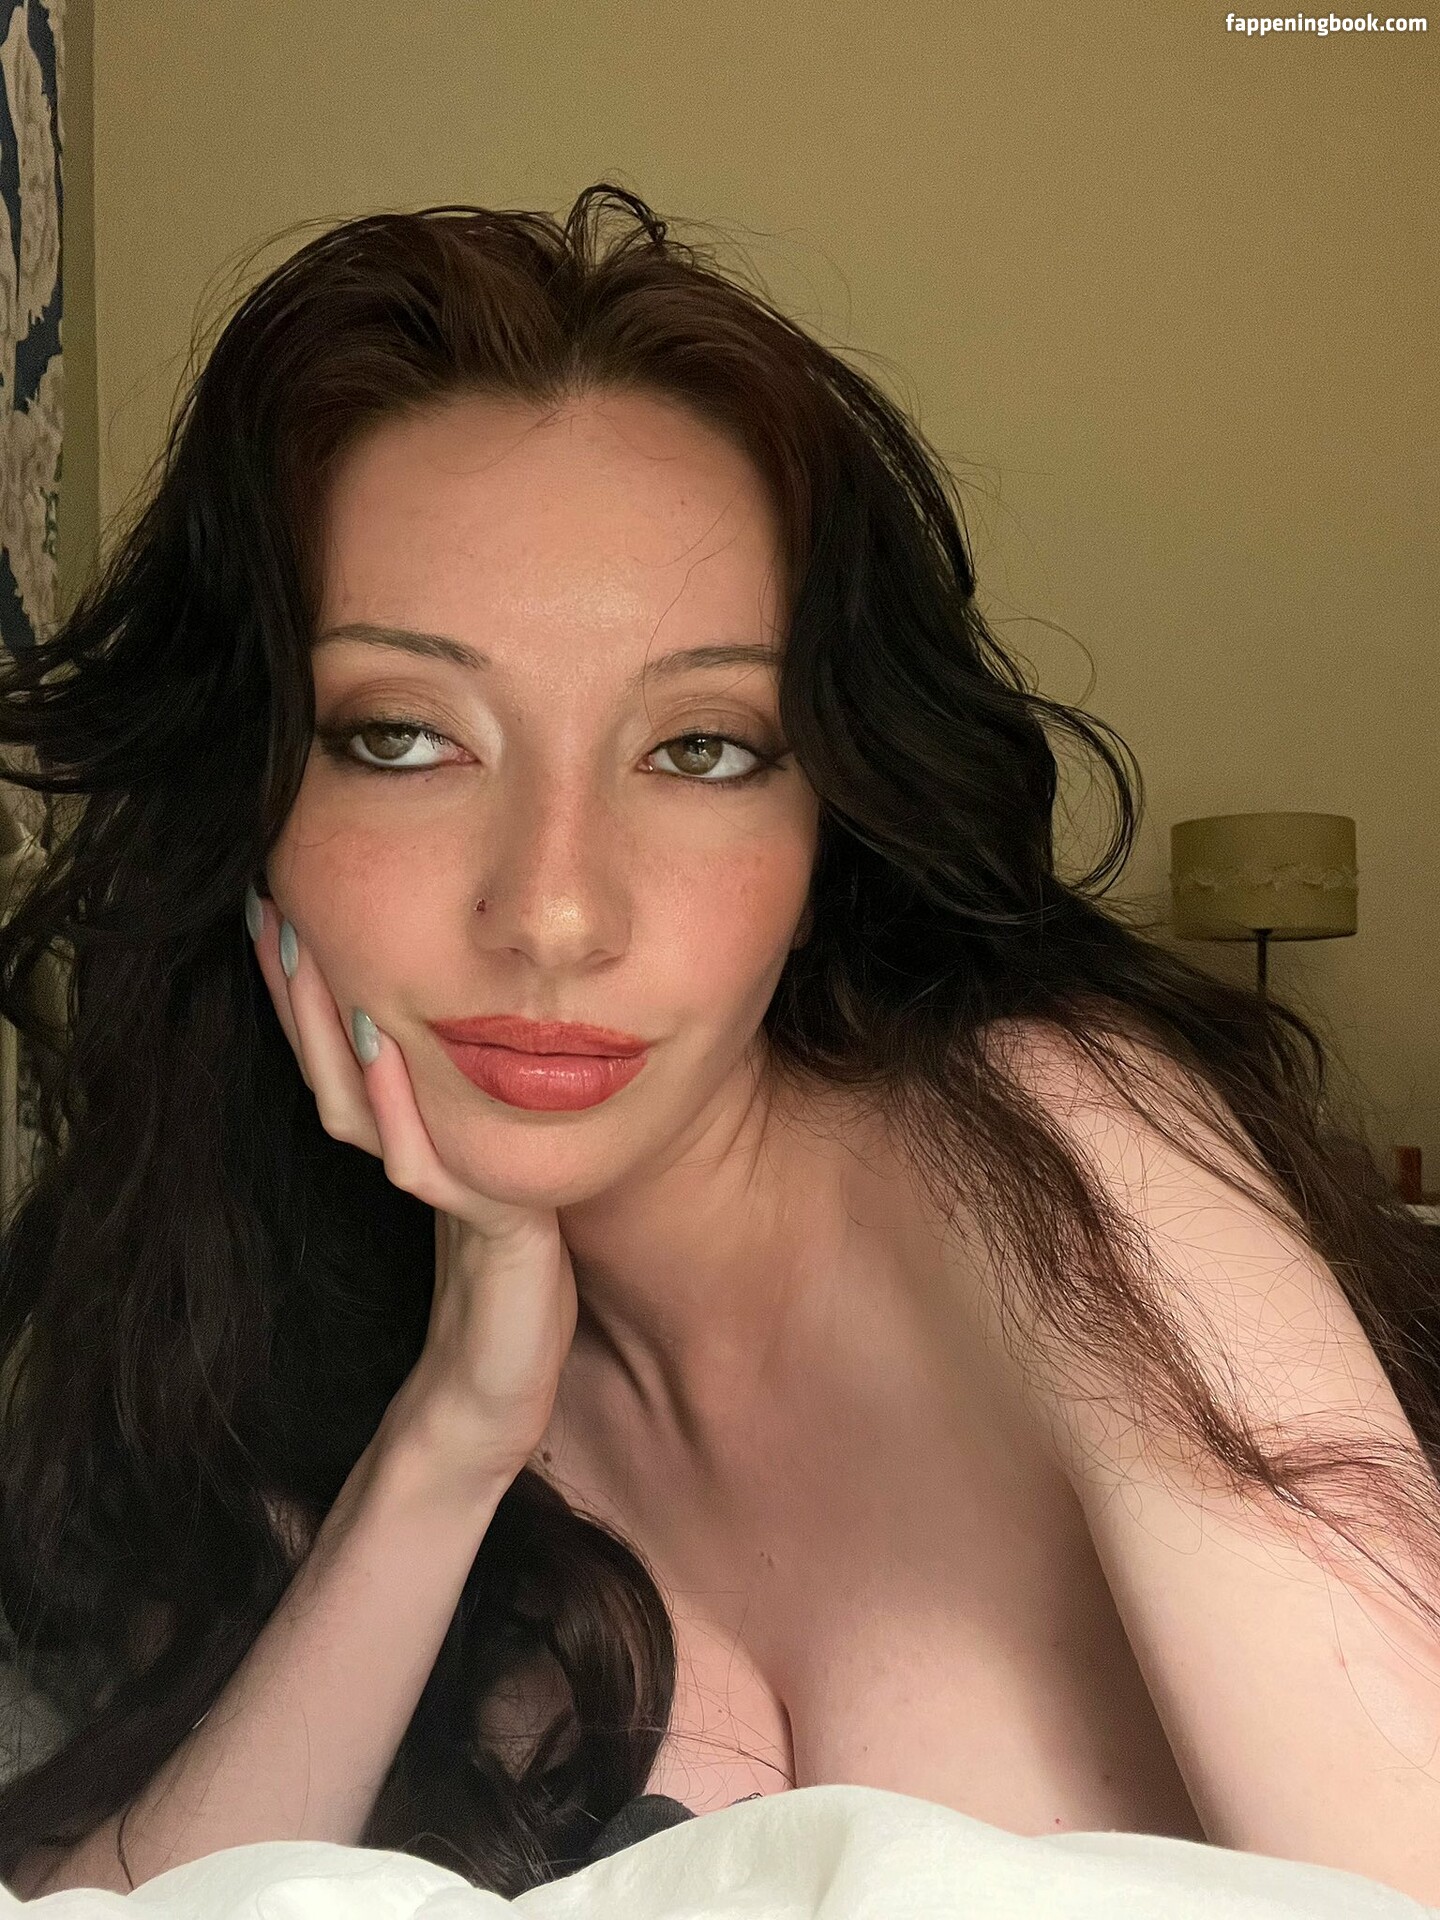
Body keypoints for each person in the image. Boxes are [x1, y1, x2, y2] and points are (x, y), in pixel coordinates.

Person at [1, 184, 1438, 1905]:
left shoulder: (1067, 1164)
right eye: (401, 737)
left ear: (832, 822)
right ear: (250, 807)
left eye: (701, 749)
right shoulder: (265, 1335)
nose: (554, 910)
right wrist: (448, 1438)